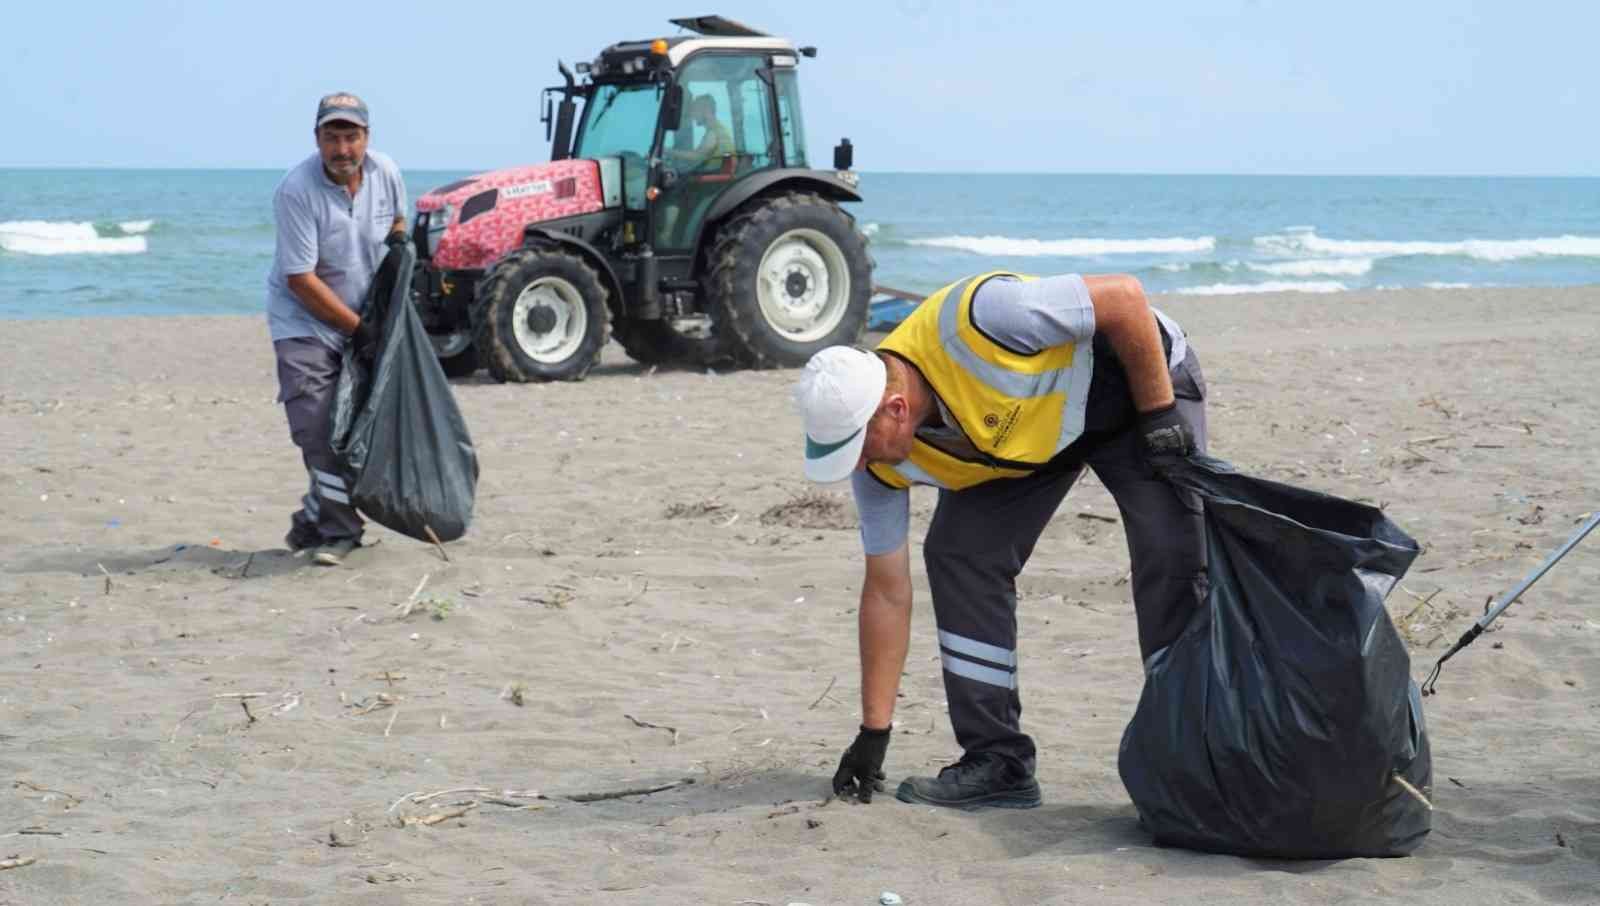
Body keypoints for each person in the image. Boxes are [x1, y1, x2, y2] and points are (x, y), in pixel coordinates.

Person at [792, 271, 1208, 809]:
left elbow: (1125, 299)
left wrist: (1159, 414)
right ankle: (998, 762)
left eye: (858, 446)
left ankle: (1193, 758)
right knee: (961, 555)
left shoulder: (985, 318)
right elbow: (886, 589)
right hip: (1035, 436)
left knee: (1172, 560)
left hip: (1136, 382)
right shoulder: (877, 466)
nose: (859, 464)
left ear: (894, 409)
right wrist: (875, 730)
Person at [265, 92, 408, 566]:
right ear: (317, 139)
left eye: (352, 136)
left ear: (367, 138)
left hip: (362, 316)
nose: (342, 149)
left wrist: (404, 254)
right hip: (304, 324)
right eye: (333, 137)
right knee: (317, 428)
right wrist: (359, 329)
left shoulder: (385, 172)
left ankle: (313, 515)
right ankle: (339, 531)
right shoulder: (296, 191)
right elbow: (300, 279)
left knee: (355, 428)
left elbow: (398, 225)